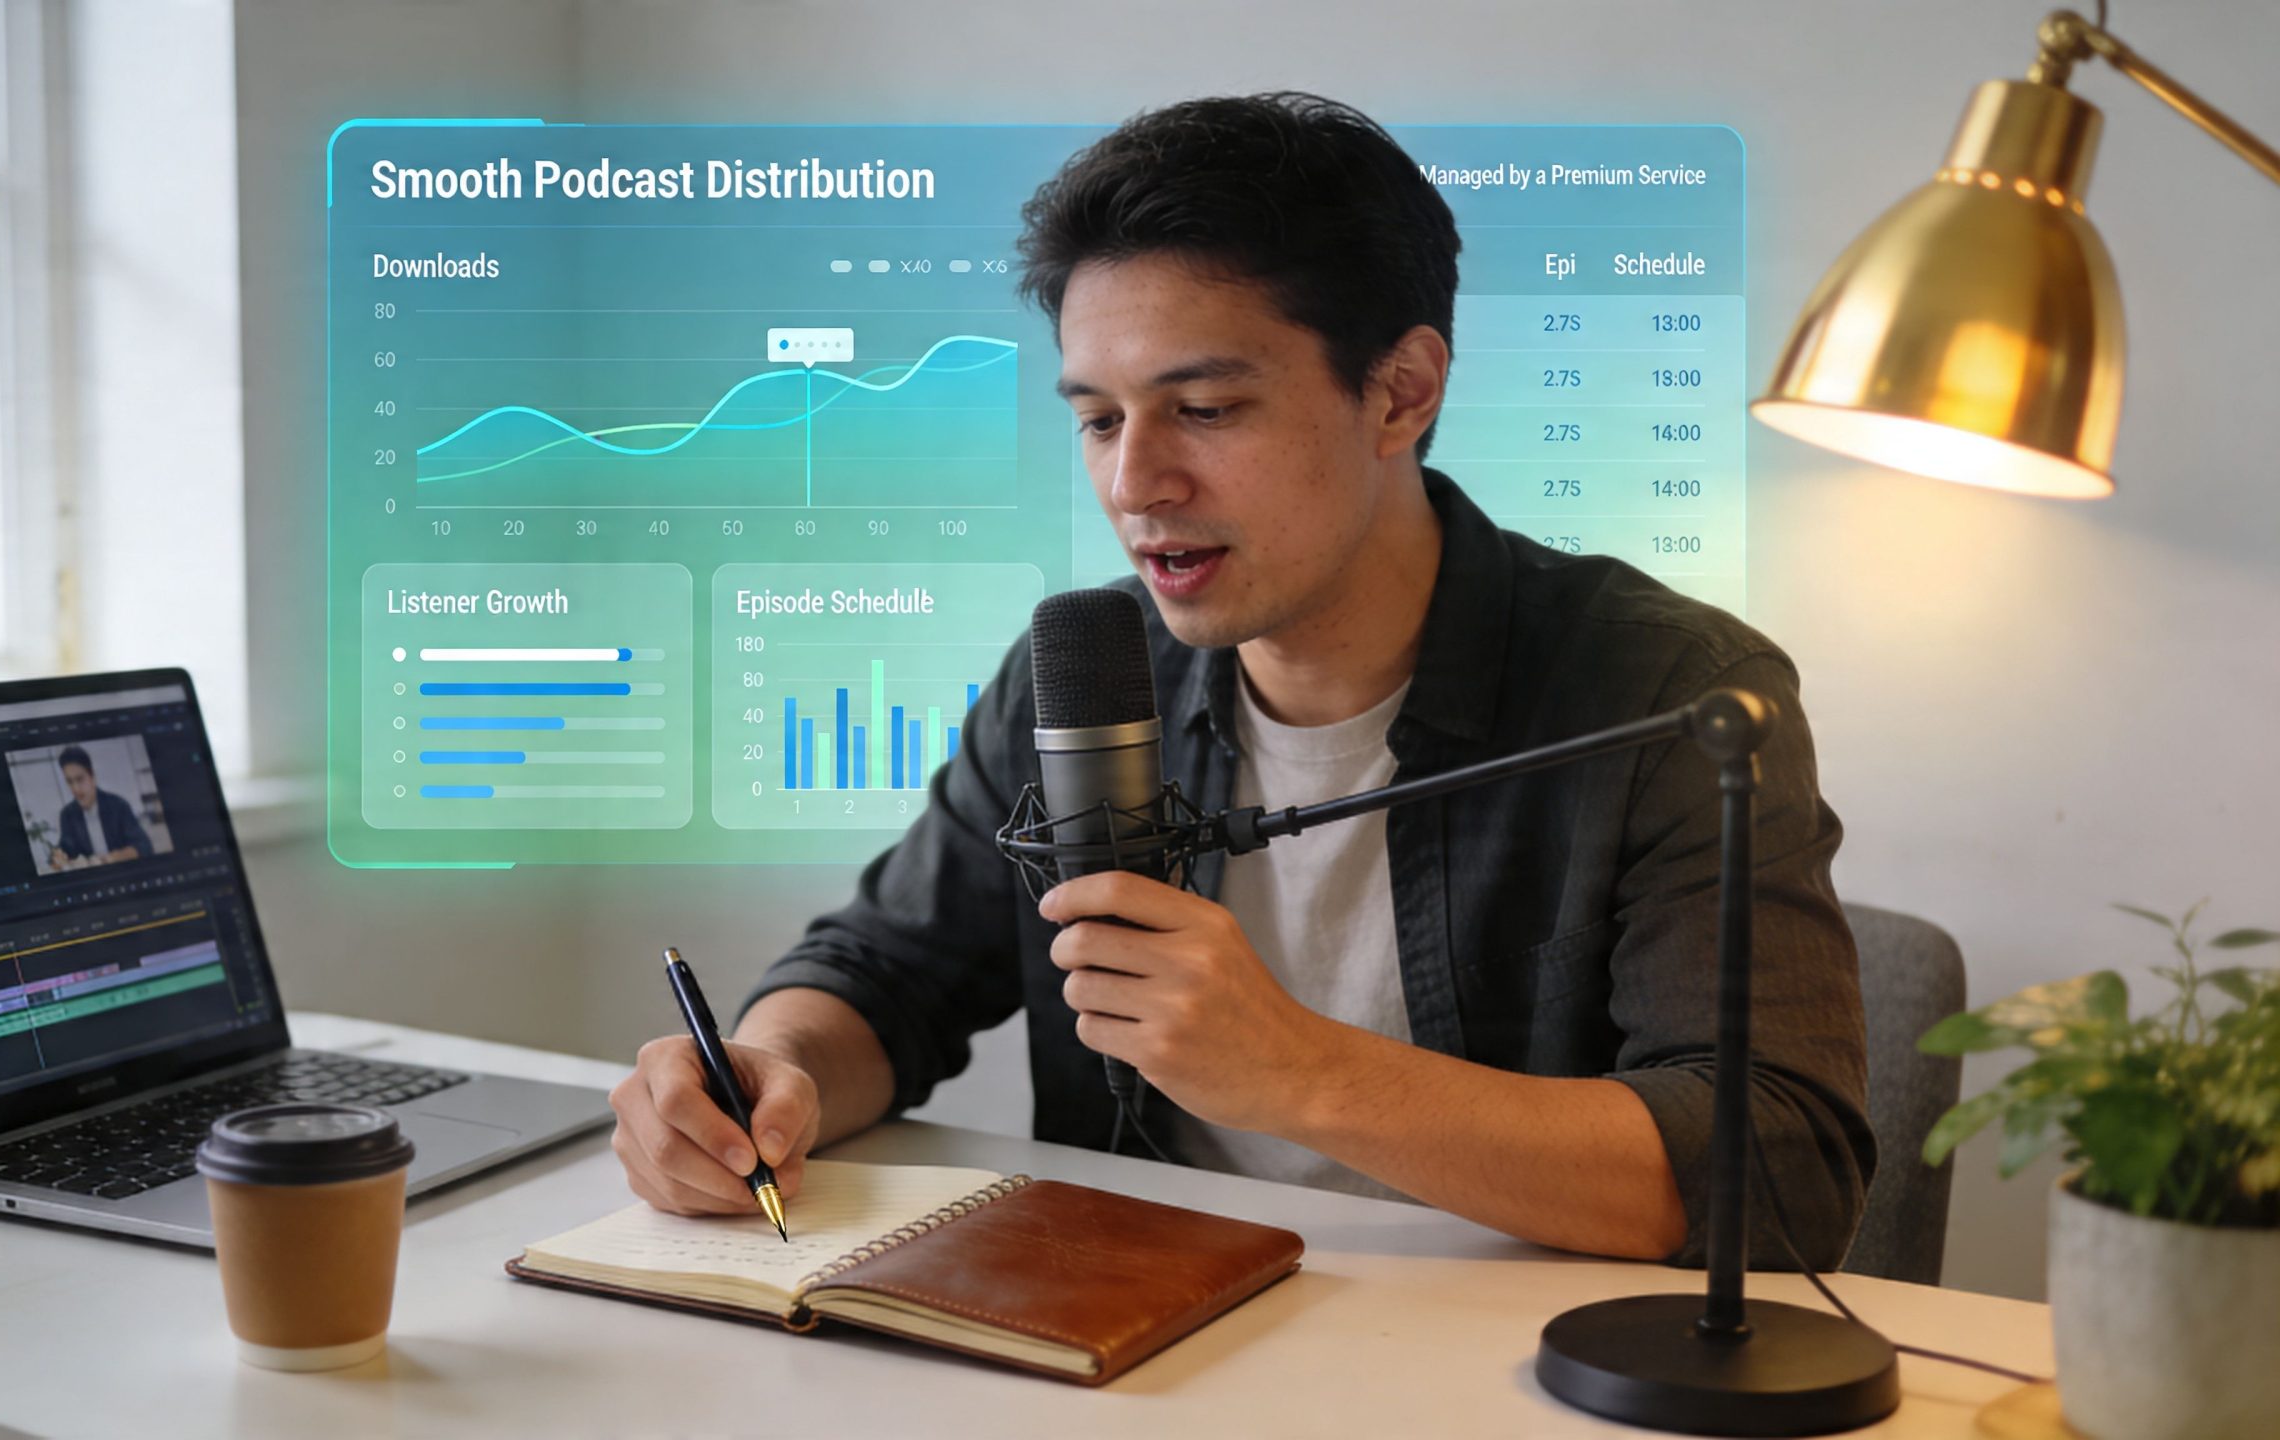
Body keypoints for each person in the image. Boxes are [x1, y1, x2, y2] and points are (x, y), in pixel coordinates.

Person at [609, 93, 1871, 1266]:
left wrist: (1300, 1072)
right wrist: (765, 1073)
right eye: (1099, 418)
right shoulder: (1087, 667)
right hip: (1138, 1329)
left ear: (1400, 390)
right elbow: (882, 976)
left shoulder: (1670, 692)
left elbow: (1781, 1169)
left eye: (1203, 409)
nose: (1131, 482)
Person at [49, 745, 150, 870]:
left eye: (80, 779)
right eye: (69, 782)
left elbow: (144, 846)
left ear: (92, 777)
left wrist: (112, 858)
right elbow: (65, 848)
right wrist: (57, 857)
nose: (75, 788)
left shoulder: (118, 805)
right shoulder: (67, 815)